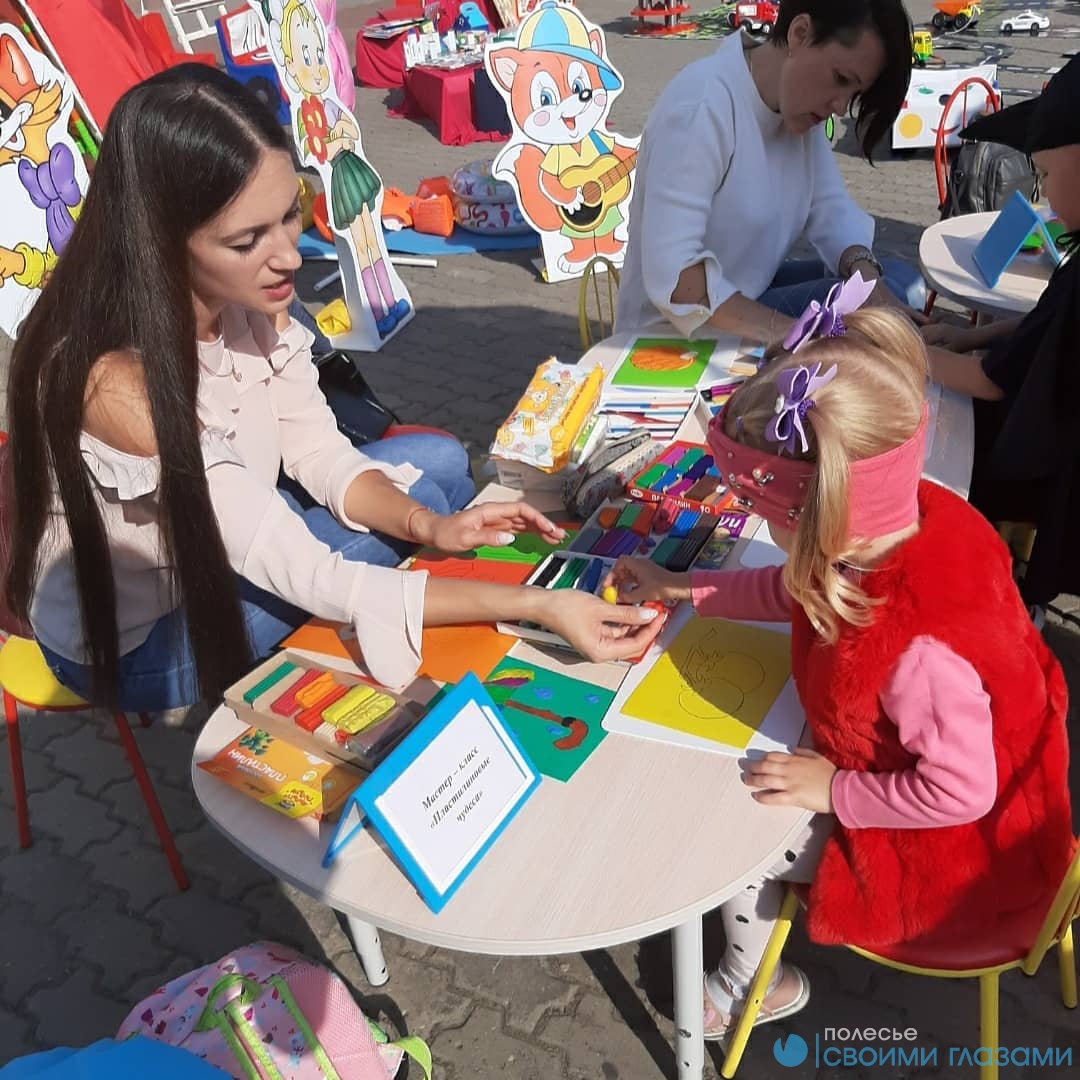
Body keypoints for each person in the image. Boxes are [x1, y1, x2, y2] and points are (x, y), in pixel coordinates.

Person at [4, 65, 664, 714]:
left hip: (230, 539)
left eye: (291, 214)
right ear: (162, 241)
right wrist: (537, 603)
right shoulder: (113, 382)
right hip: (143, 641)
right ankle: (390, 638)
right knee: (404, 523)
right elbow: (317, 573)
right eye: (248, 239)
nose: (290, 255)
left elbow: (318, 450)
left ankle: (408, 597)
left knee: (437, 472)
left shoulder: (252, 300)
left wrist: (430, 526)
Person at [605, 292, 1074, 1040]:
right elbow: (799, 586)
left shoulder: (921, 655)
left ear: (820, 520)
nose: (760, 530)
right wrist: (683, 588)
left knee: (742, 838)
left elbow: (962, 791)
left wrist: (833, 790)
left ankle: (752, 984)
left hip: (953, 858)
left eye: (767, 519)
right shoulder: (910, 521)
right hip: (947, 771)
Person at [615, 0, 924, 342]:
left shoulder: (797, 110)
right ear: (800, 33)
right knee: (868, 318)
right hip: (674, 331)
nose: (839, 106)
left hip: (749, 292)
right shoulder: (702, 107)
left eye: (853, 94)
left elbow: (830, 208)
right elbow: (676, 277)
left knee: (896, 282)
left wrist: (866, 276)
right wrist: (796, 336)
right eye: (840, 79)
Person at [921, 56, 1080, 617]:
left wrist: (910, 353)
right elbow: (1045, 324)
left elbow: (992, 382)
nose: (1045, 196)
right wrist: (962, 335)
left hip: (1047, 467)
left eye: (1046, 174)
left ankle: (995, 597)